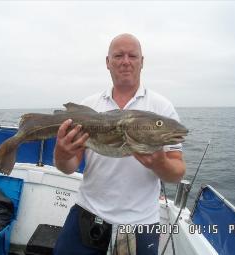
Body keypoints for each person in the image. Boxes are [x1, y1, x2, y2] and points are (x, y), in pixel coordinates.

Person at [53, 33, 186, 255]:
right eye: (118, 55)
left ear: (142, 62)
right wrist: (62, 153)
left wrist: (159, 163)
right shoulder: (89, 107)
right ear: (108, 62)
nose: (125, 61)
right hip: (88, 212)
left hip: (141, 223)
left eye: (132, 55)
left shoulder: (162, 108)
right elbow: (68, 167)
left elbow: (177, 173)